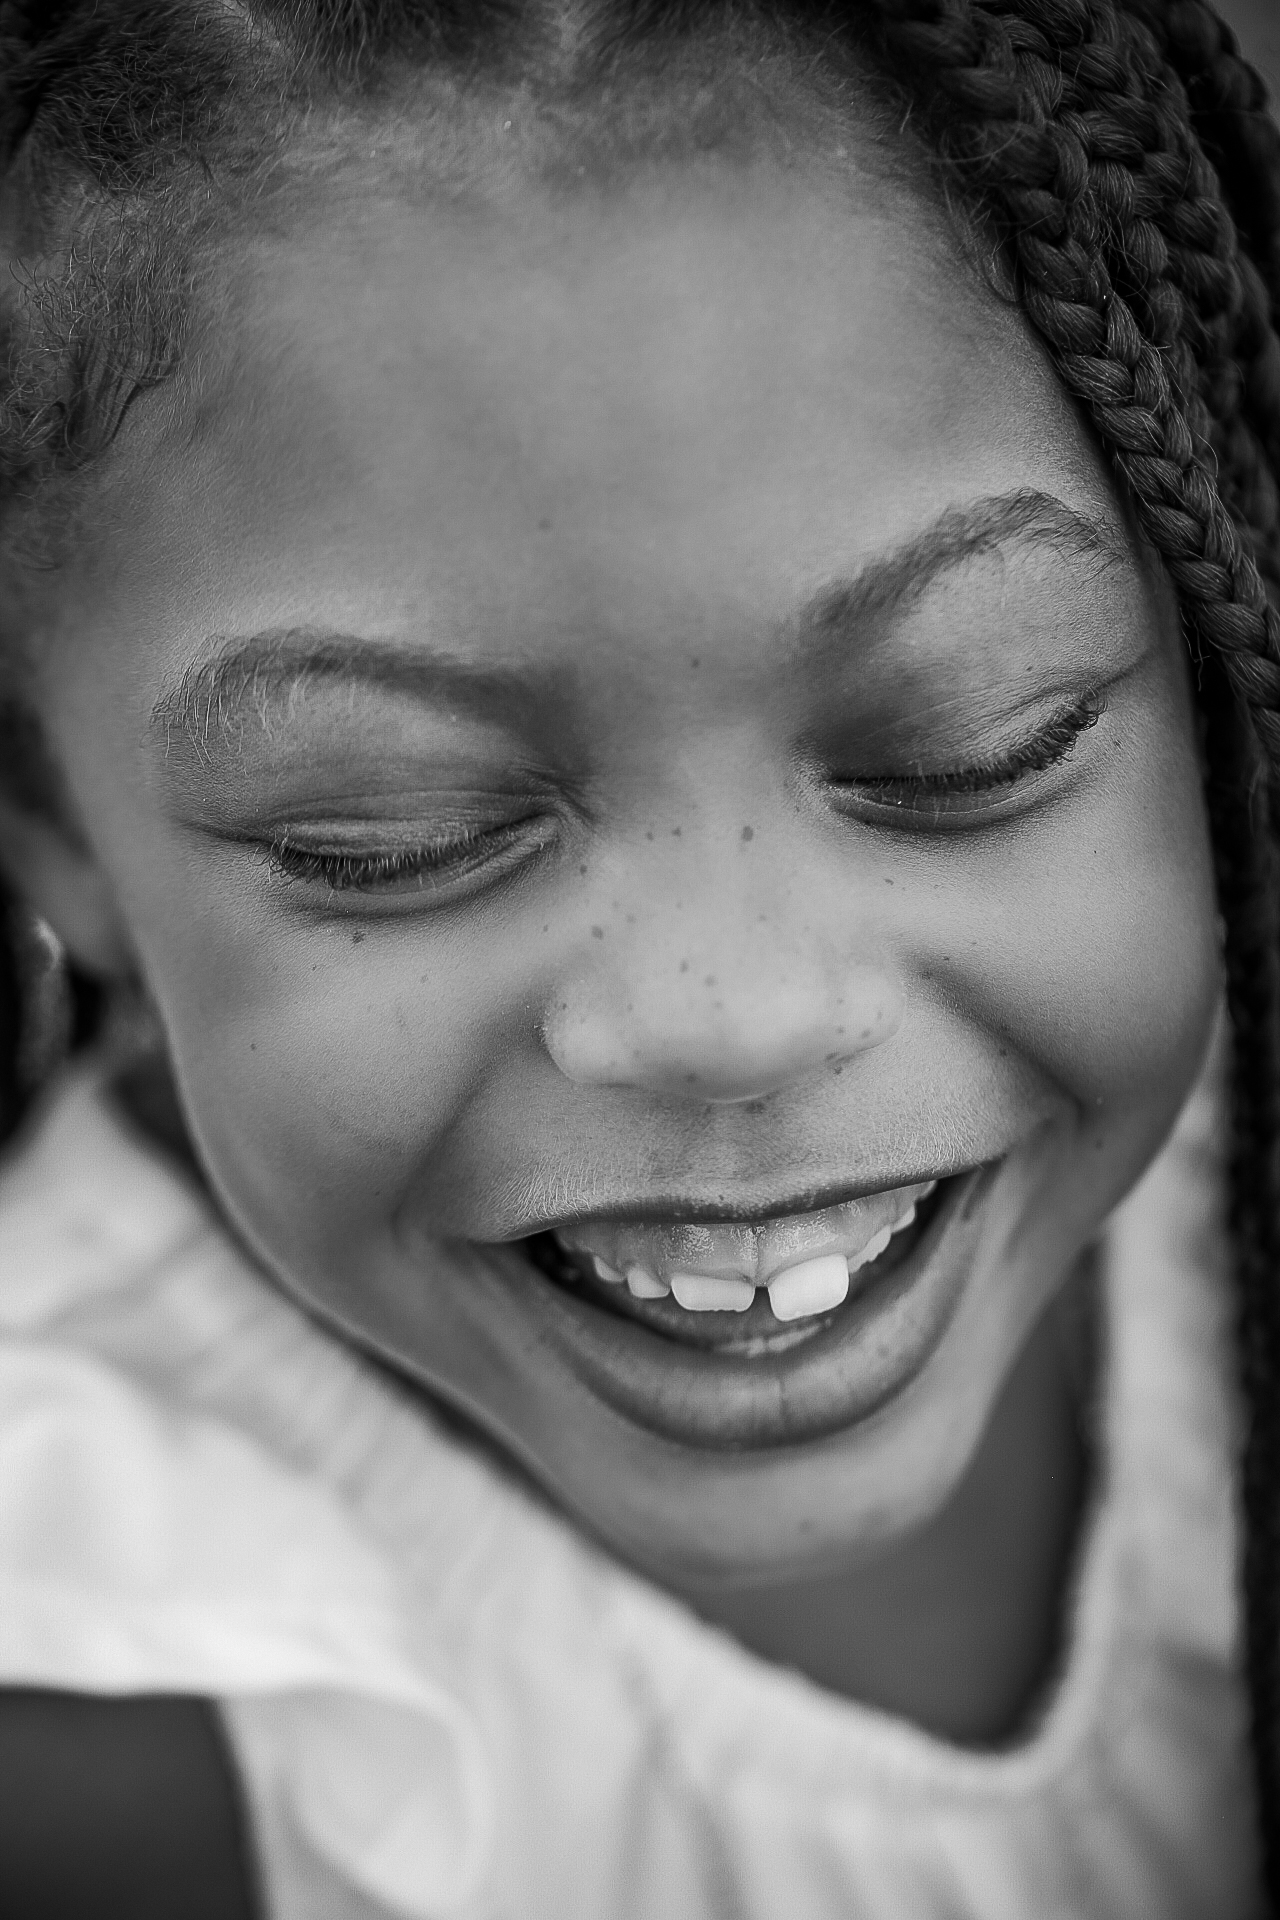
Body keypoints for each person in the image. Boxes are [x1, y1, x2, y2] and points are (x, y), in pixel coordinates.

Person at [0, 0, 1276, 1913]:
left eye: (971, 746)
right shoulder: (101, 1712)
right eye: (396, 839)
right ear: (52, 825)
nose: (731, 1018)